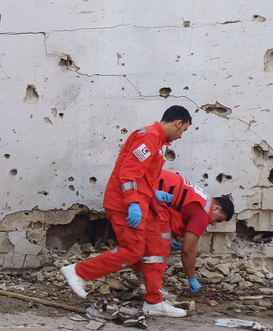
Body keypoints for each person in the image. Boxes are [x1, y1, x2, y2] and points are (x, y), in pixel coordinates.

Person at [61, 106, 193, 317]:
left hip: (143, 203)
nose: (181, 135)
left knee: (156, 249)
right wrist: (132, 203)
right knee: (133, 250)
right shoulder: (149, 139)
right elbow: (128, 173)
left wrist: (153, 194)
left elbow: (141, 176)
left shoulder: (155, 141)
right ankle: (78, 271)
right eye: (183, 130)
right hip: (126, 205)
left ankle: (153, 301)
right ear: (178, 123)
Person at [154, 170, 235, 293]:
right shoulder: (203, 214)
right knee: (159, 249)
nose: (213, 224)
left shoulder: (202, 198)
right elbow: (187, 250)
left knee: (149, 246)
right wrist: (192, 278)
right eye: (218, 220)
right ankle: (152, 288)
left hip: (146, 186)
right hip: (146, 192)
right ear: (217, 208)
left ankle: (142, 281)